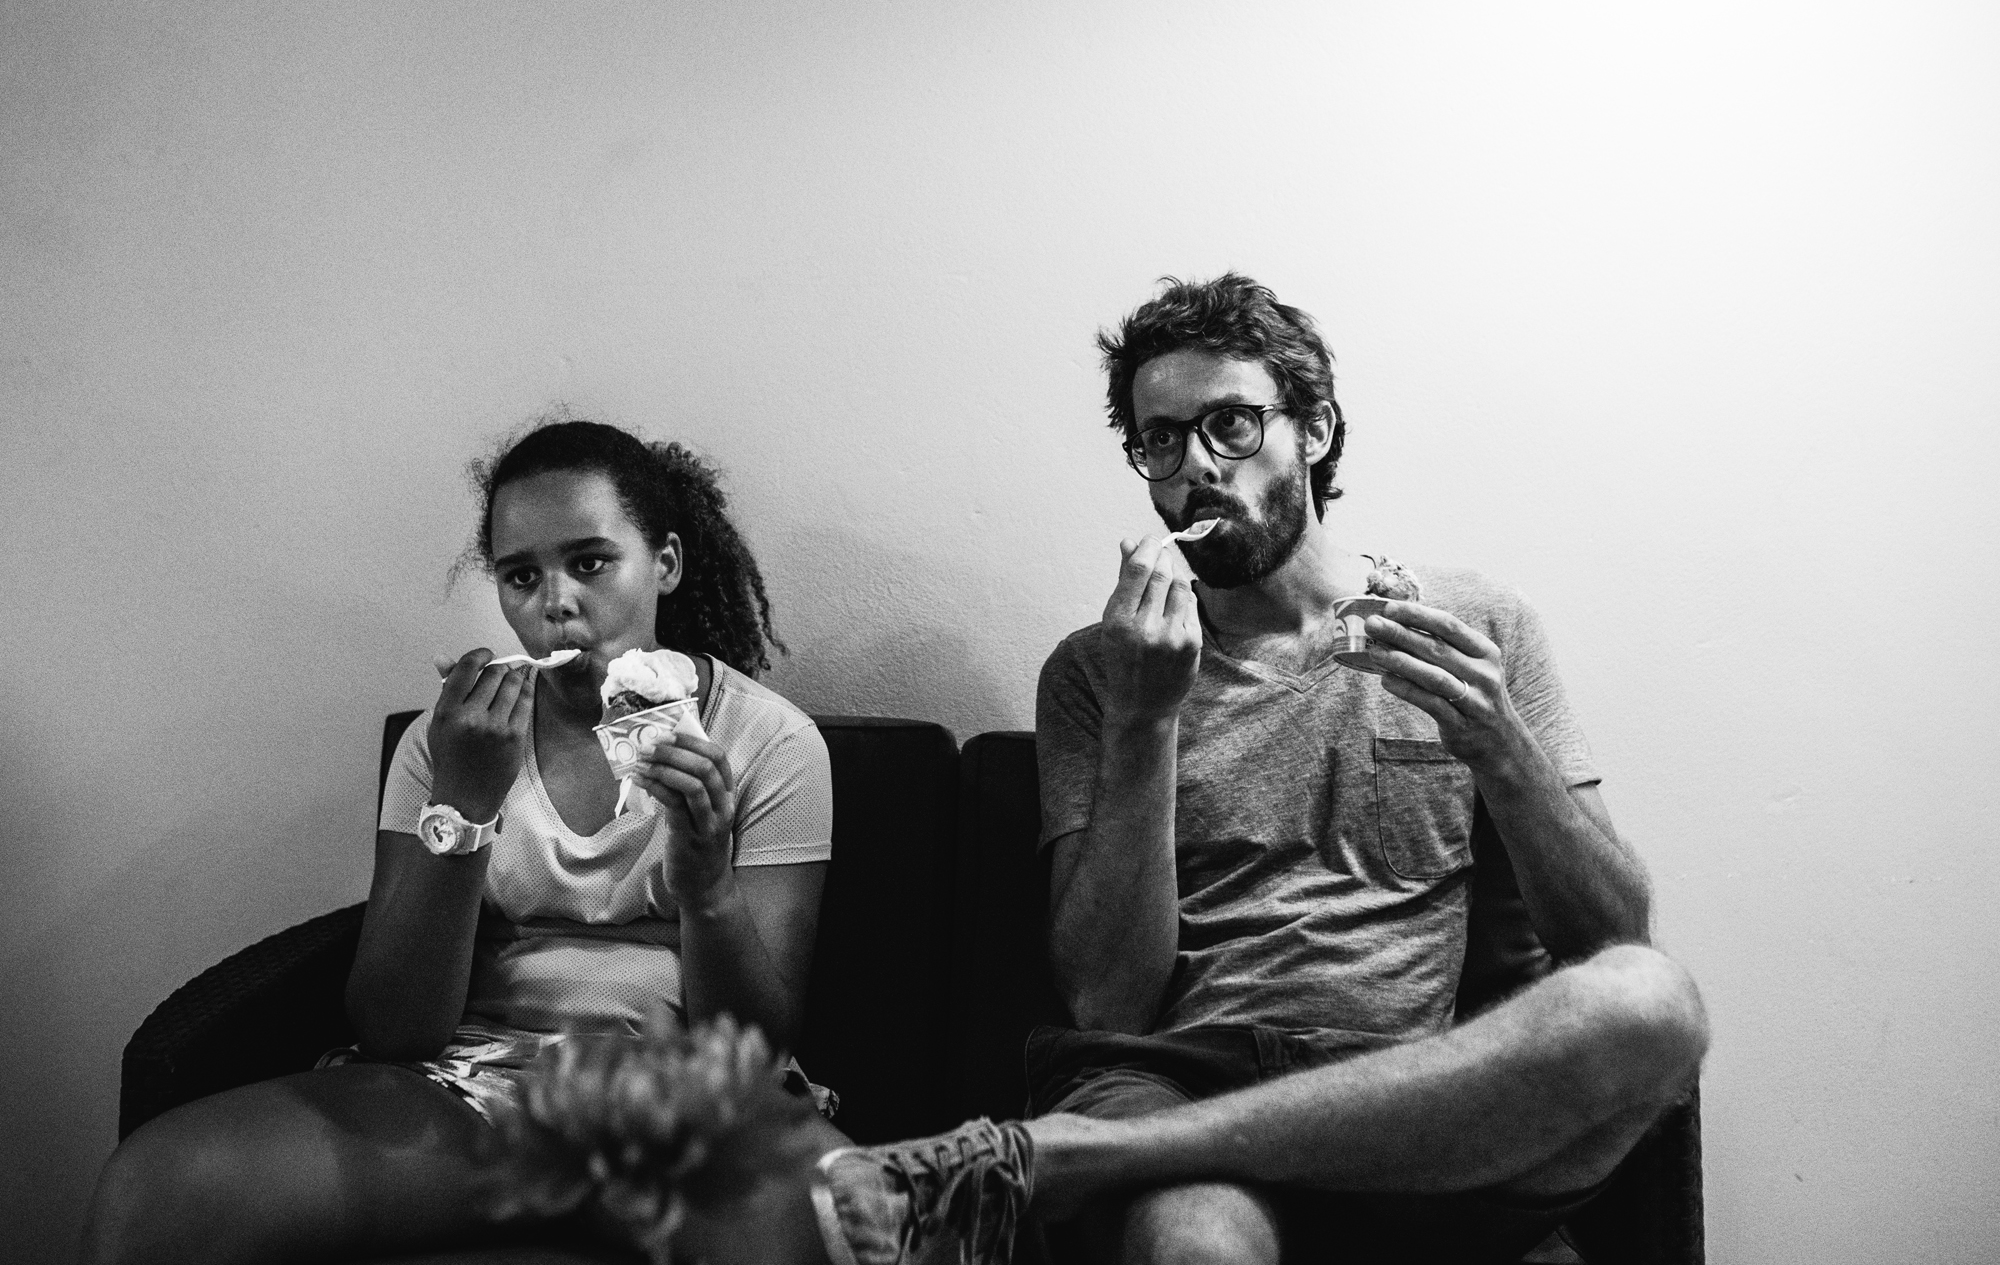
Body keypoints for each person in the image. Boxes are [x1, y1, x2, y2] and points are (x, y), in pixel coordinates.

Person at [1025, 272, 1709, 1261]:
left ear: (1312, 428)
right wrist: (1144, 722)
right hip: (1184, 1073)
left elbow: (1609, 935)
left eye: (1229, 425)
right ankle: (1155, 1150)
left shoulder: (1471, 626)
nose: (1193, 468)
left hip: (1409, 1099)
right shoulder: (1100, 672)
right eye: (1160, 439)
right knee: (1194, 1246)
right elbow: (1106, 1004)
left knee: (1651, 999)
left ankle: (1090, 1156)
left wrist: (1498, 746)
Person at [80, 420, 838, 1265]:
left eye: (589, 562)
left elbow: (755, 1043)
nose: (554, 603)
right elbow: (396, 1025)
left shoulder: (769, 743)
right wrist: (464, 804)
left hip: (680, 1101)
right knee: (158, 1193)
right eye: (521, 576)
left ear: (664, 562)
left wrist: (705, 883)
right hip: (470, 1091)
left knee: (811, 1223)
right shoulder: (450, 744)